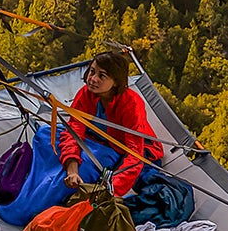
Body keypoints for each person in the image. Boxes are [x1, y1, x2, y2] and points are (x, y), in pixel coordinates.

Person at [60, 47, 162, 197]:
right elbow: (74, 129)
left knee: (89, 166)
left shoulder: (131, 104)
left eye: (102, 76)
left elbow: (135, 153)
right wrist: (72, 168)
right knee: (44, 133)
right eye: (92, 71)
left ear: (116, 82)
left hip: (120, 148)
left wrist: (110, 190)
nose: (93, 79)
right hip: (96, 140)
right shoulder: (86, 94)